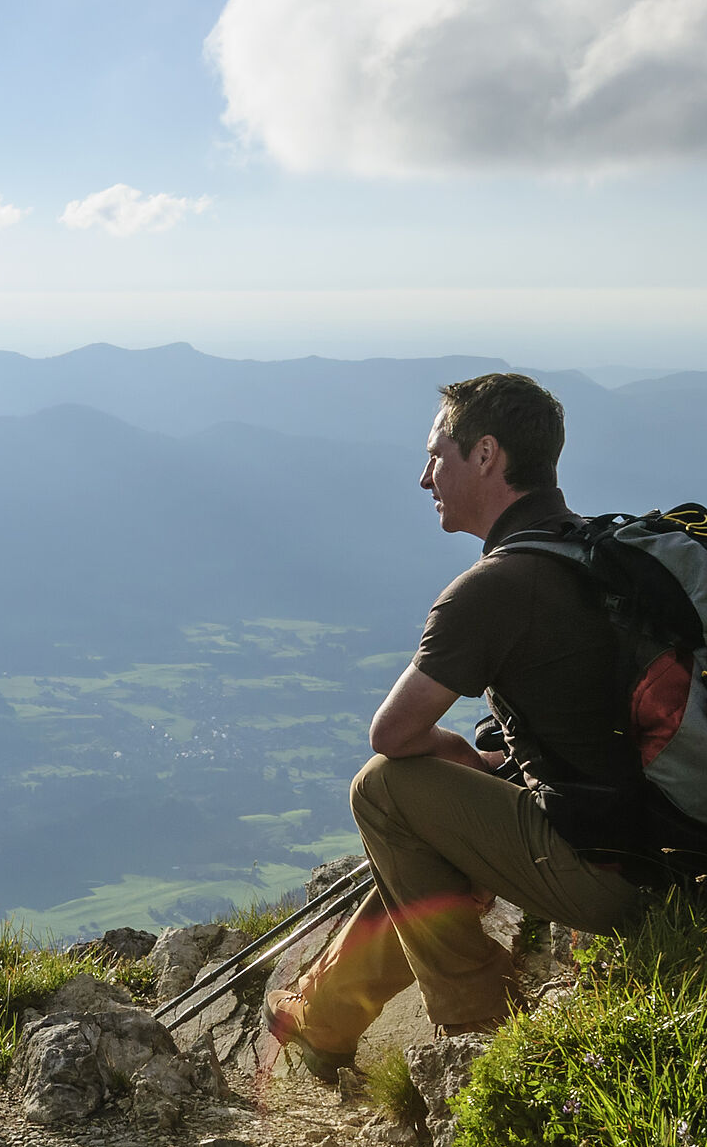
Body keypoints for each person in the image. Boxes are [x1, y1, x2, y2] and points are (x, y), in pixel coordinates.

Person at [267, 372, 655, 1076]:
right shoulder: (597, 553)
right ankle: (324, 1015)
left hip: (608, 874)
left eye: (436, 455)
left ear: (486, 455)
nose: (424, 478)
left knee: (385, 787)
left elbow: (392, 734)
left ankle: (481, 1021)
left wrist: (459, 759)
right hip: (675, 852)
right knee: (428, 824)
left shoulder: (497, 586)